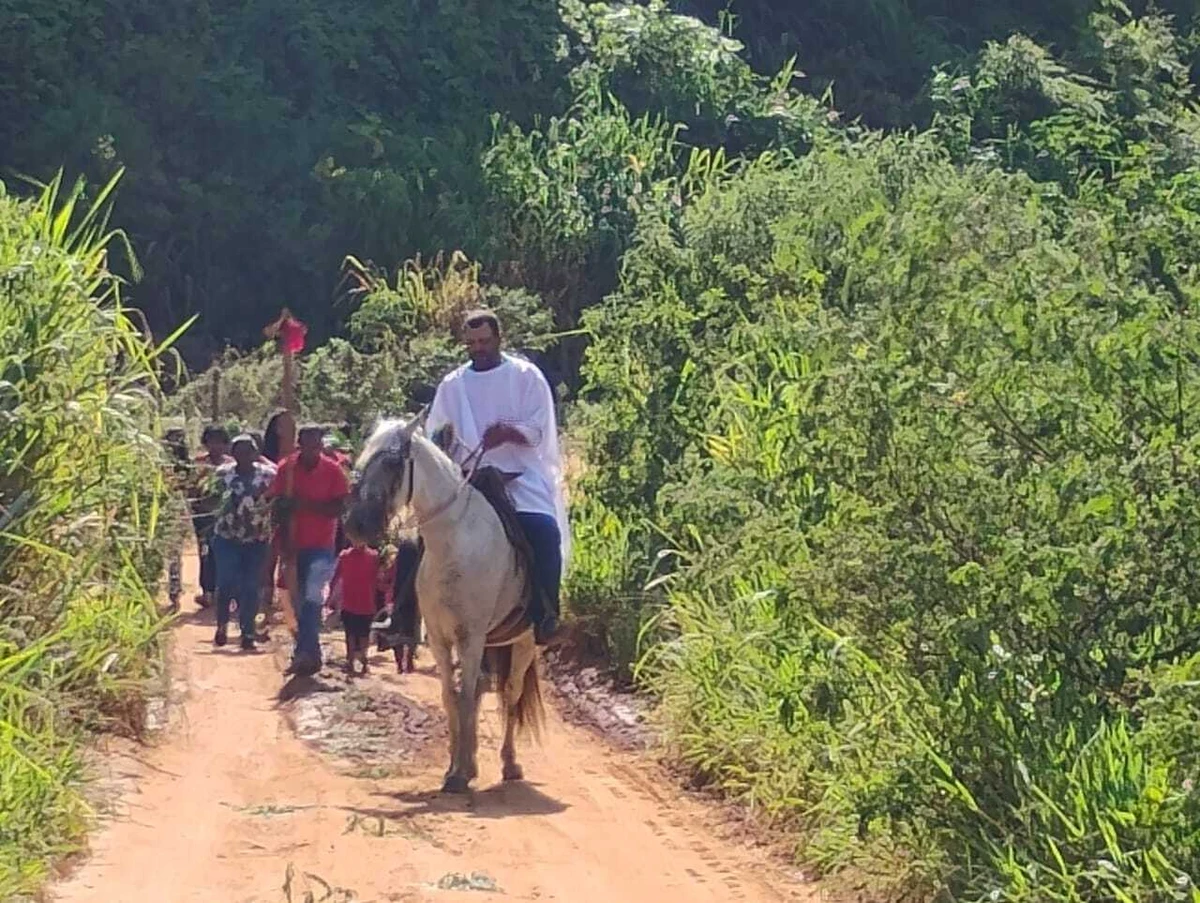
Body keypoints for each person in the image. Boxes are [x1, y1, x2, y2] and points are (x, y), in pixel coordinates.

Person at [427, 309, 570, 646]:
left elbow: (539, 431)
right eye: (472, 343)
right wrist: (443, 442)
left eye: (484, 341)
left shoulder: (525, 376)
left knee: (544, 533)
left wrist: (509, 432)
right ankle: (407, 616)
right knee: (418, 542)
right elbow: (435, 431)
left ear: (498, 339)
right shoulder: (452, 385)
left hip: (519, 479)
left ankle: (546, 614)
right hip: (468, 483)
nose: (478, 348)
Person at [270, 424, 350, 676]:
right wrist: (284, 537)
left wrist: (303, 505)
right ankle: (309, 652)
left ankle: (305, 653)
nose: (312, 450)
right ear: (299, 445)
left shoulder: (333, 471)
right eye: (307, 445)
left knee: (313, 597)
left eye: (316, 445)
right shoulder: (287, 469)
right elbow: (276, 505)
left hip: (320, 546)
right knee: (297, 600)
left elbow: (338, 509)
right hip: (292, 546)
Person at [210, 435, 276, 650]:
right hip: (227, 537)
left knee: (251, 586)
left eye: (248, 451)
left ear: (255, 453)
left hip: (256, 539)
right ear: (233, 452)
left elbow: (279, 499)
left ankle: (247, 632)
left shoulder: (268, 476)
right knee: (226, 582)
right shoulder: (222, 474)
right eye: (239, 451)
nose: (244, 456)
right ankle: (222, 625)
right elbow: (210, 500)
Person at [327, 538, 386, 676]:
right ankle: (357, 662)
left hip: (356, 602)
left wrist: (331, 597)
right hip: (359, 602)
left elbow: (335, 577)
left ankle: (355, 662)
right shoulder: (372, 556)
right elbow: (378, 578)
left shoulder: (346, 556)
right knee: (358, 634)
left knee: (354, 634)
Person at [190, 425, 233, 609]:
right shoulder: (198, 465)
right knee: (206, 553)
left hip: (227, 516)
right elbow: (191, 489)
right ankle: (208, 591)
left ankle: (224, 591)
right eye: (211, 441)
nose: (215, 446)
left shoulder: (232, 464)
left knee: (225, 554)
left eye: (219, 442)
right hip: (204, 516)